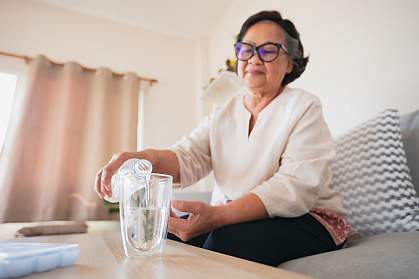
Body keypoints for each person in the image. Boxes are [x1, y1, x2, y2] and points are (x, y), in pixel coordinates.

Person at [95, 10, 351, 267]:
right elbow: (188, 155)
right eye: (247, 49)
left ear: (290, 62)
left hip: (307, 217)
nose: (254, 59)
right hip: (242, 217)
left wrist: (219, 215)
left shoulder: (303, 106)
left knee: (225, 243)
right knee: (166, 236)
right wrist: (142, 157)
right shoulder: (223, 114)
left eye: (269, 50)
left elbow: (295, 188)